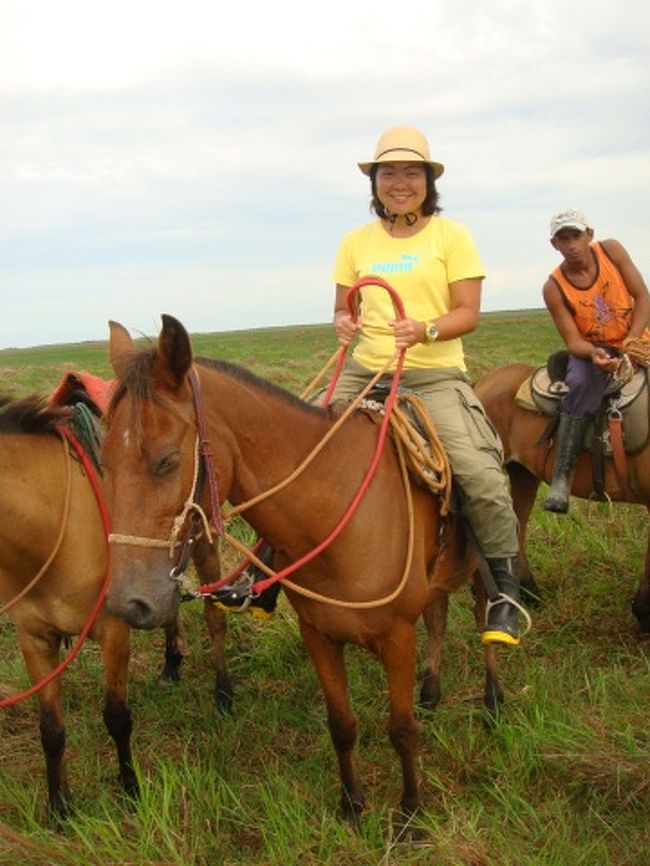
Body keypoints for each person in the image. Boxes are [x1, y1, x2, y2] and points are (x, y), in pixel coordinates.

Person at [330, 125, 527, 647]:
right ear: (374, 182)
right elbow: (343, 307)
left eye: (410, 172)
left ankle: (505, 590)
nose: (399, 182)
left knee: (479, 470)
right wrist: (343, 325)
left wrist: (425, 329)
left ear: (427, 181)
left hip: (432, 374)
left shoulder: (451, 236)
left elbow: (468, 313)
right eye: (388, 172)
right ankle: (265, 576)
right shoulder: (355, 242)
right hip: (365, 369)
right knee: (296, 447)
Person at [542, 209, 650, 513]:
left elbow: (642, 296)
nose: (571, 244)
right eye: (563, 239)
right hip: (595, 348)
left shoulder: (612, 252)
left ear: (589, 234)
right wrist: (593, 354)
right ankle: (562, 479)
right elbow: (573, 341)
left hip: (636, 337)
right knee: (579, 384)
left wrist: (633, 340)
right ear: (555, 245)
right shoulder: (554, 287)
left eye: (576, 236)